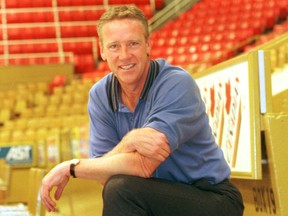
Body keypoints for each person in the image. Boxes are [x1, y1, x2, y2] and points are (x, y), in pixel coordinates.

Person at [40, 5, 244, 216]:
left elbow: (143, 166)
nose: (124, 55)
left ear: (148, 44)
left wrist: (70, 168)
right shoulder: (100, 95)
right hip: (155, 197)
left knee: (121, 190)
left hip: (211, 198)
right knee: (116, 186)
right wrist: (129, 141)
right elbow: (104, 176)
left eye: (133, 44)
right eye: (114, 46)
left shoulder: (175, 83)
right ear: (102, 51)